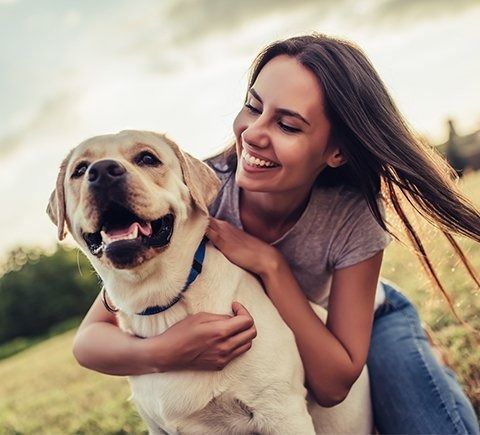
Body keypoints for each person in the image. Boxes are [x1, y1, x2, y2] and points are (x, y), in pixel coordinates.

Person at [73, 34, 480, 434]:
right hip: (294, 347)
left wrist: (272, 266)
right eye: (253, 107)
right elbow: (90, 339)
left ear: (335, 151)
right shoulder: (194, 194)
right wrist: (167, 350)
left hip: (368, 323)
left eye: (287, 125)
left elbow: (333, 383)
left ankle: (421, 358)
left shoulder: (351, 215)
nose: (252, 134)